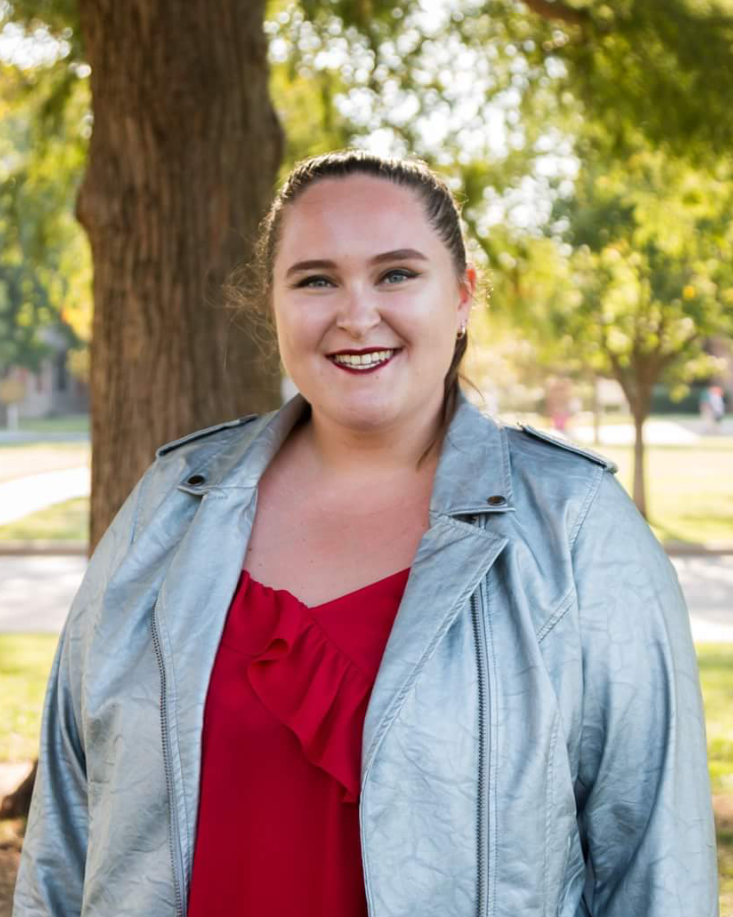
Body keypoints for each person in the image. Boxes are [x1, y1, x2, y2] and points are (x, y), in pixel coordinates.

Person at [14, 151, 718, 917]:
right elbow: (67, 829)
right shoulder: (168, 508)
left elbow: (655, 866)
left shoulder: (574, 525)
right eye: (315, 279)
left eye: (395, 274)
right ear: (272, 305)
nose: (356, 314)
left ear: (461, 296)